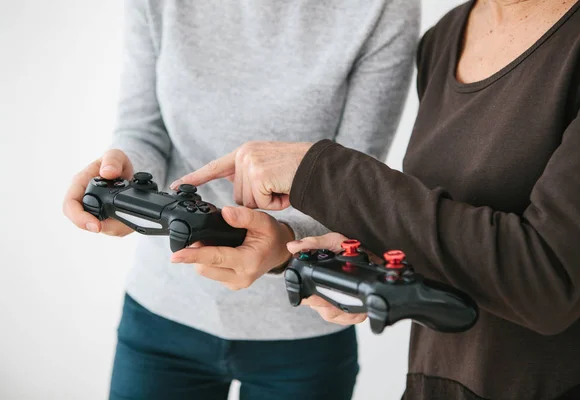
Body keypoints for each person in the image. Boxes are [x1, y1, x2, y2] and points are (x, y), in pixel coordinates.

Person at [172, 0, 580, 398]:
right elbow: (445, 236)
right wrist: (350, 261)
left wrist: (322, 172)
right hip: (435, 382)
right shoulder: (445, 38)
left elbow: (550, 279)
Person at [62, 0, 420, 399]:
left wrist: (282, 241)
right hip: (163, 315)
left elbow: (352, 181)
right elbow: (143, 129)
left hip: (304, 327)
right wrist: (122, 173)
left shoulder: (383, 7)